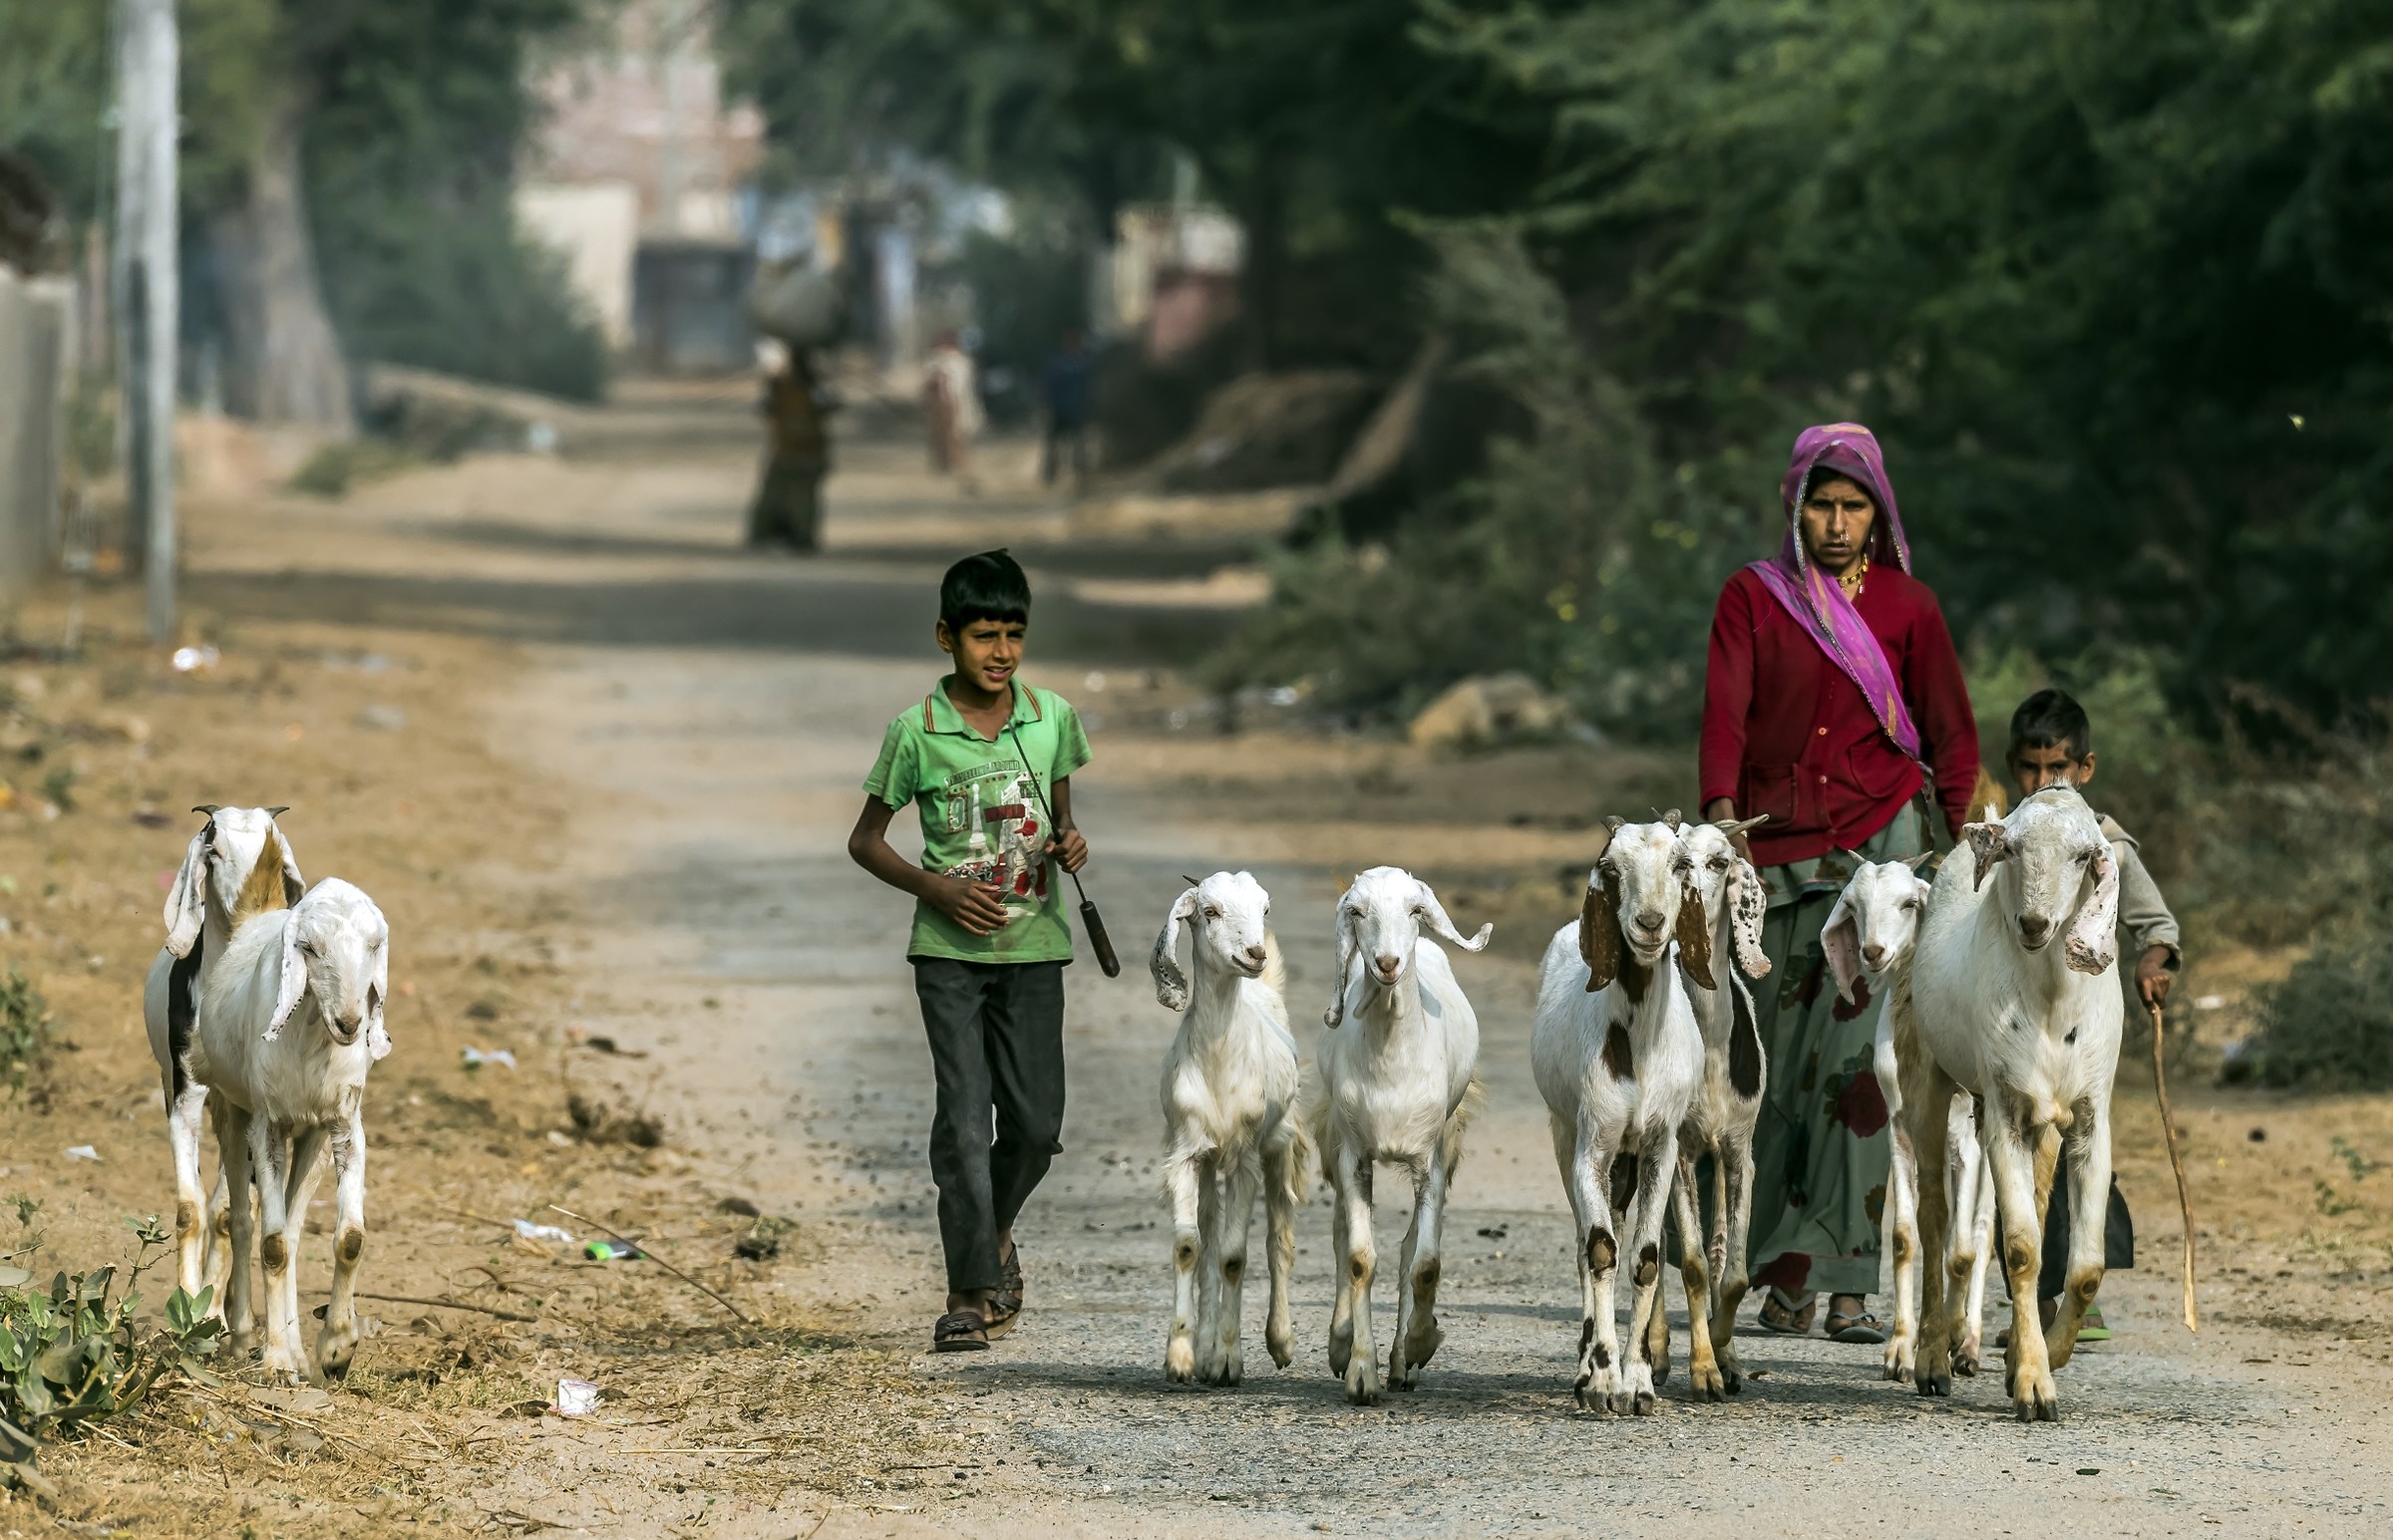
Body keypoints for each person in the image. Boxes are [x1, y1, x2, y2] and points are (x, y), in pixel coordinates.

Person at [1699, 423, 1979, 1346]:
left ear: (1878, 513)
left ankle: (1854, 1285)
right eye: (1821, 503)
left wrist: (1955, 835)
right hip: (1772, 858)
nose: (1835, 520)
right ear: (1795, 503)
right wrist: (1722, 820)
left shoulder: (1909, 608)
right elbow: (1725, 719)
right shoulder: (1753, 597)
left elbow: (1950, 732)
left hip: (1878, 863)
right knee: (1770, 1072)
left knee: (1862, 1072)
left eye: (1853, 505)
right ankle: (1782, 1273)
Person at [847, 550, 1093, 1353]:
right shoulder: (915, 732)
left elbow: (1061, 818)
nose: (1002, 652)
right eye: (985, 635)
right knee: (962, 1120)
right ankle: (968, 1294)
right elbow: (865, 841)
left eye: (1015, 634)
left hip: (1035, 949)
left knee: (1036, 1124)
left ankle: (995, 1233)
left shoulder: (1051, 716)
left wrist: (1071, 843)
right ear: (946, 637)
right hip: (948, 955)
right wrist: (936, 888)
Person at [1999, 686, 2179, 1344]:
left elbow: (2154, 924)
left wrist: (2151, 962)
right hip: (2009, 1030)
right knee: (2010, 1161)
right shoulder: (2002, 841)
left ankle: (2070, 1293)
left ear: (2085, 768)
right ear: (2011, 768)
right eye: (2030, 767)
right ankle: (2030, 1310)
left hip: (2077, 1039)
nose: (2043, 782)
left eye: (2058, 768)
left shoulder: (2106, 842)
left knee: (2075, 1156)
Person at [747, 342, 832, 551]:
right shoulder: (807, 390)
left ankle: (788, 535)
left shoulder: (787, 388)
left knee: (784, 496)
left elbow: (765, 407)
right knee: (799, 498)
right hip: (804, 452)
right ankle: (794, 536)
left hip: (794, 452)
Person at [923, 331, 984, 492]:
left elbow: (957, 384)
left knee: (956, 434)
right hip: (941, 402)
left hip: (954, 402)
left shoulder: (959, 362)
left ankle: (958, 464)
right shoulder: (936, 361)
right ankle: (944, 463)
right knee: (941, 435)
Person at [1041, 329, 1093, 487]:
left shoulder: (1082, 363)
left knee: (1078, 445)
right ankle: (1051, 474)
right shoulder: (1058, 363)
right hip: (1060, 409)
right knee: (1054, 446)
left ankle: (1081, 475)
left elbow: (1089, 388)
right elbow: (1048, 386)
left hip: (1076, 409)